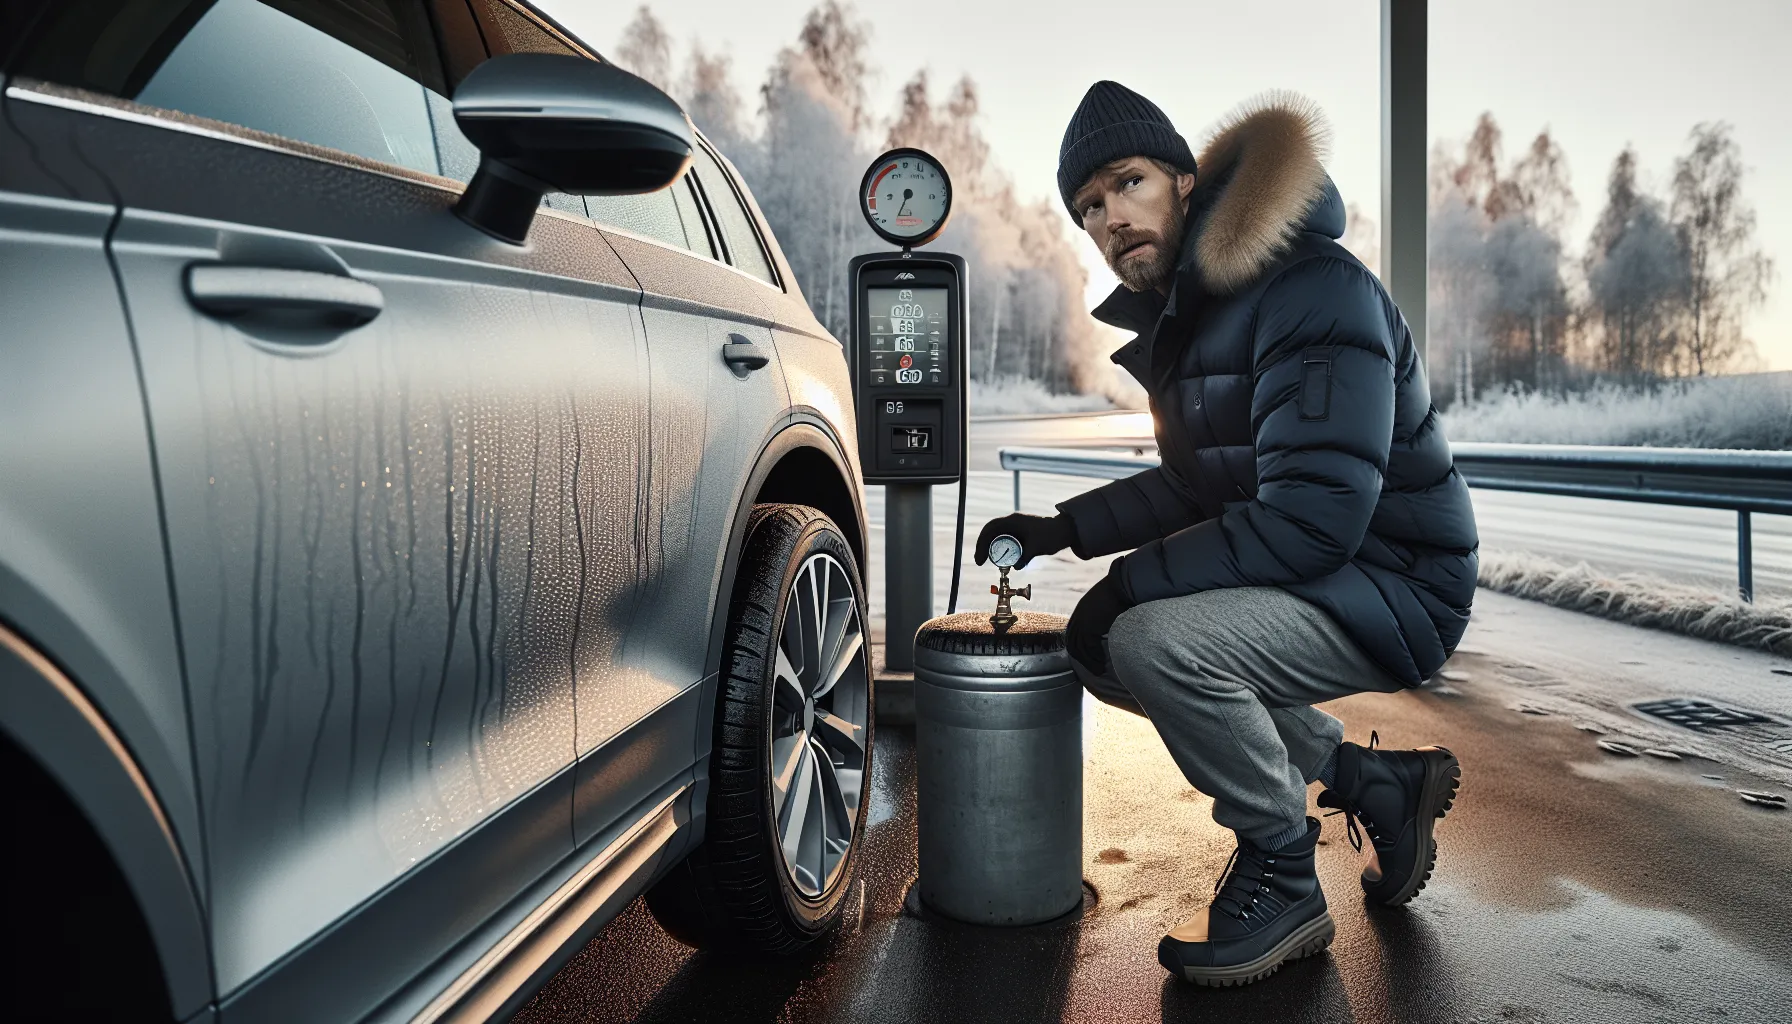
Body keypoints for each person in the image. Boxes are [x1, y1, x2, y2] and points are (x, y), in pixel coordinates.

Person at [975, 82, 1478, 987]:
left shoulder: (1312, 288)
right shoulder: (1200, 310)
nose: (1110, 218)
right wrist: (1064, 530)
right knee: (1110, 650)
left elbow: (1313, 519)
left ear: (1184, 180)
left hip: (1396, 582)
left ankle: (1282, 870)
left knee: (1152, 640)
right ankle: (1373, 784)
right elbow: (1192, 481)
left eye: (1128, 183)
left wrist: (1132, 583)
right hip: (1331, 567)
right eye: (1088, 207)